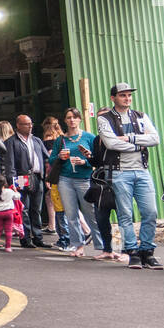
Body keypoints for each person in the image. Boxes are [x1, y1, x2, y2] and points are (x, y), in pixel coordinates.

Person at [96, 82, 162, 269]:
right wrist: (140, 145)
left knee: (151, 212)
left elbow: (155, 139)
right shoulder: (104, 119)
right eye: (122, 95)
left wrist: (130, 138)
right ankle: (132, 251)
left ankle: (147, 251)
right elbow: (111, 143)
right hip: (119, 172)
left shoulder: (140, 116)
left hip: (142, 170)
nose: (127, 98)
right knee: (125, 213)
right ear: (113, 98)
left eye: (129, 95)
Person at [49, 108, 100, 258]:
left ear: (80, 119)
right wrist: (59, 156)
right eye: (69, 117)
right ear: (65, 120)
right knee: (71, 214)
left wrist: (85, 161)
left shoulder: (89, 137)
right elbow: (51, 160)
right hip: (65, 179)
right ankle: (78, 245)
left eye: (75, 117)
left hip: (85, 178)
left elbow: (97, 159)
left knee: (91, 212)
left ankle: (102, 245)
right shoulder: (60, 140)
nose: (72, 120)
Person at [2, 114, 49, 248]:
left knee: (36, 208)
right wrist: (12, 183)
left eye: (31, 124)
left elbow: (46, 157)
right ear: (18, 126)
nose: (30, 126)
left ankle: (38, 237)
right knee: (24, 209)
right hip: (21, 177)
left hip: (37, 176)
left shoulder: (36, 140)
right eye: (26, 124)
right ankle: (26, 238)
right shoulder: (11, 142)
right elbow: (10, 164)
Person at [41, 116, 68, 246]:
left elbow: (49, 160)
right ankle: (54, 227)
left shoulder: (48, 140)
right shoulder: (62, 138)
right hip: (63, 174)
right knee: (59, 201)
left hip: (55, 175)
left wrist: (48, 176)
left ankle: (63, 234)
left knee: (60, 204)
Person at [0, 173, 19, 251]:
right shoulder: (10, 191)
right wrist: (15, 191)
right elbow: (17, 197)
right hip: (9, 213)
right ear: (5, 183)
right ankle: (8, 247)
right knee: (8, 230)